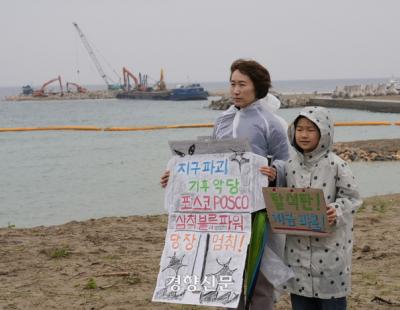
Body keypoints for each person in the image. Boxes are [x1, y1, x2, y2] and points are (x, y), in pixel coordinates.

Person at [161, 59, 291, 310]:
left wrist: (275, 171)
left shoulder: (270, 122)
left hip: (259, 212)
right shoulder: (221, 120)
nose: (236, 90)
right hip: (225, 211)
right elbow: (208, 162)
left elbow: (287, 163)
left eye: (242, 84)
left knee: (259, 278)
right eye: (232, 84)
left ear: (258, 87)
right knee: (226, 277)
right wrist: (175, 176)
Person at [264, 106, 362, 310]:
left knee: (331, 302)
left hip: (330, 251)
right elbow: (280, 197)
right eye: (300, 129)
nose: (304, 135)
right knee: (301, 302)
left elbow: (353, 198)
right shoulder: (289, 165)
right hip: (297, 251)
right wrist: (272, 179)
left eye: (311, 129)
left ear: (324, 132)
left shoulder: (337, 165)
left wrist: (336, 210)